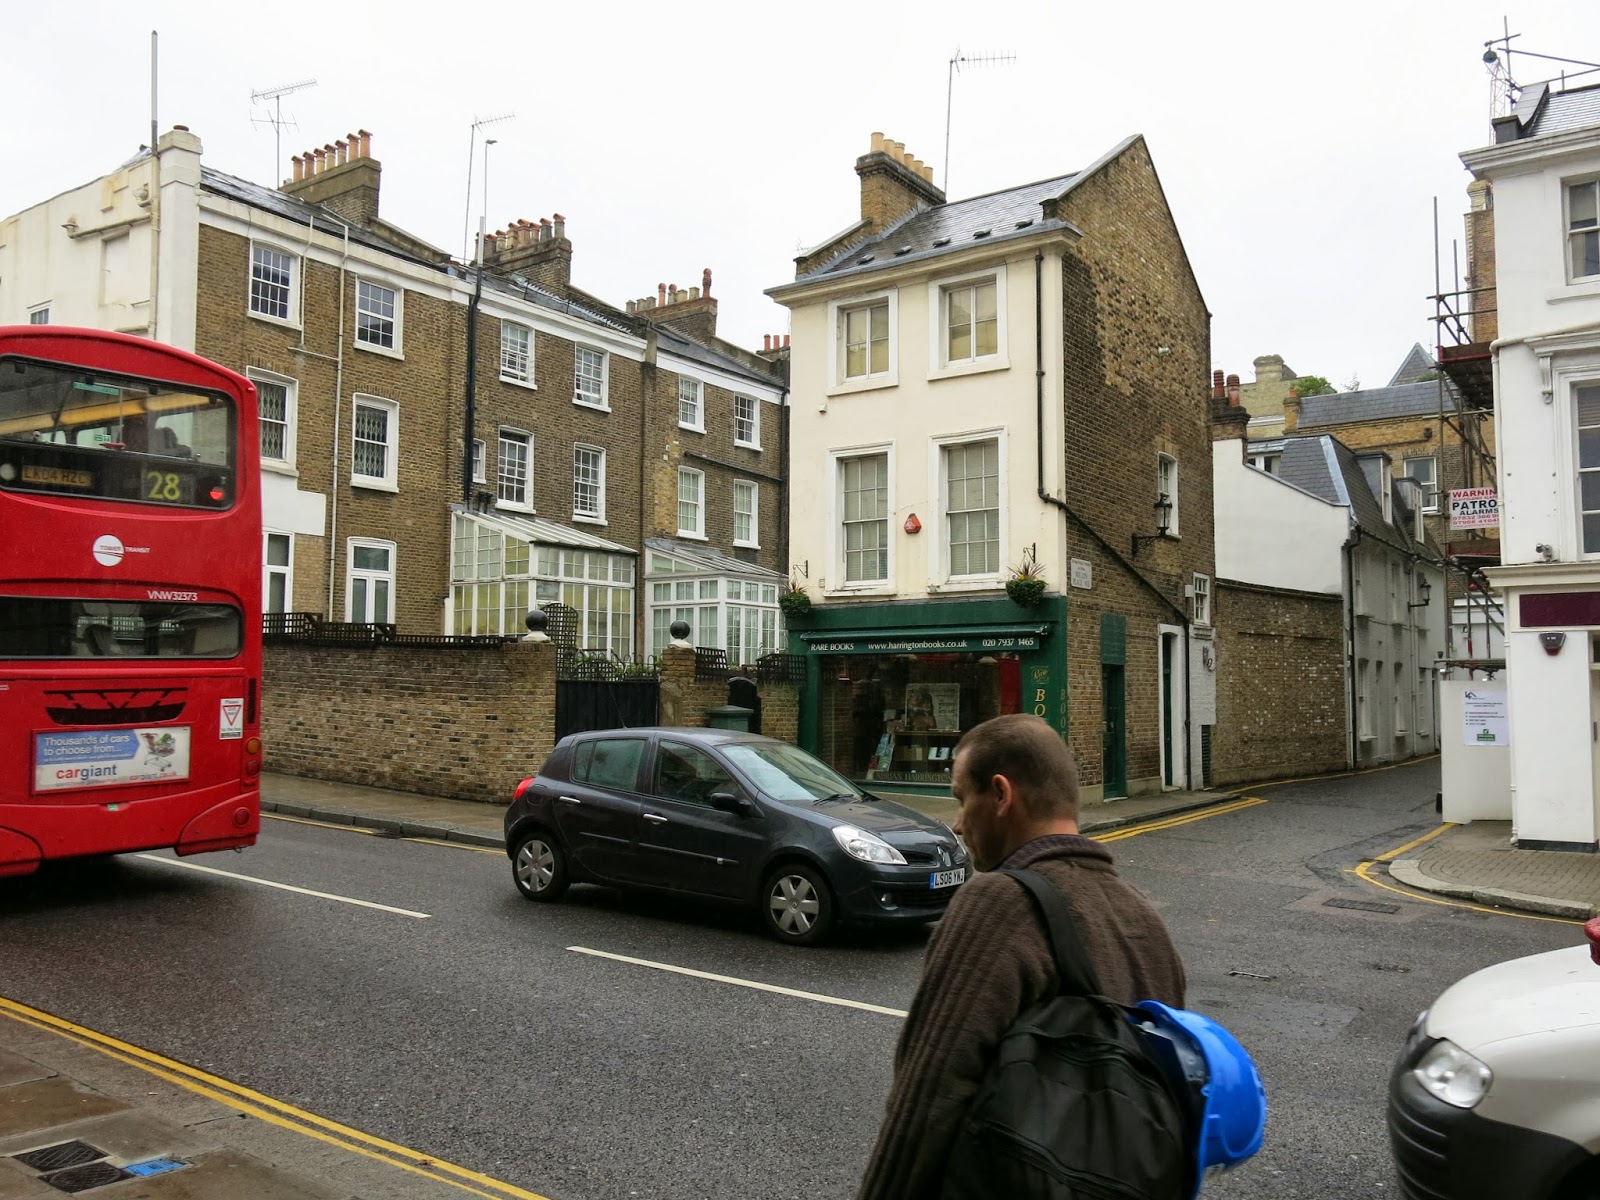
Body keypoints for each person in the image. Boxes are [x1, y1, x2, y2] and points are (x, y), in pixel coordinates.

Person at [857, 713, 1187, 1200]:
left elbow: (930, 1097)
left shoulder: (998, 903)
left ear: (1001, 795)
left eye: (961, 799)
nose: (959, 822)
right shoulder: (1146, 923)